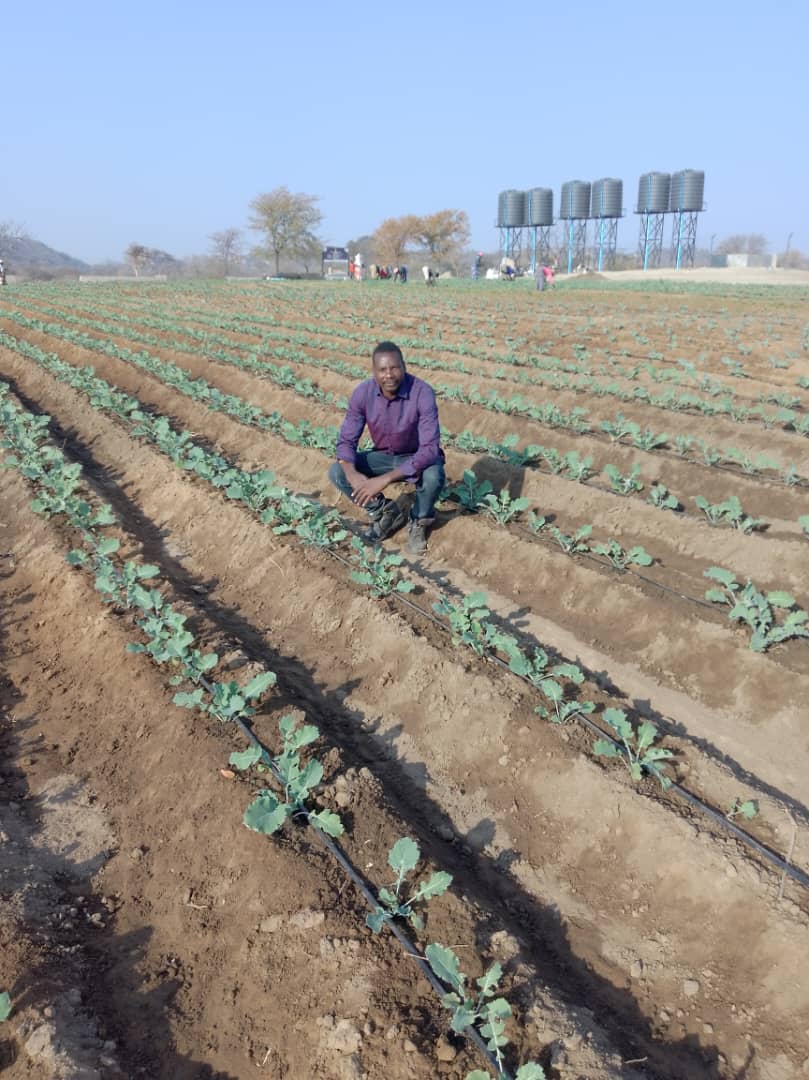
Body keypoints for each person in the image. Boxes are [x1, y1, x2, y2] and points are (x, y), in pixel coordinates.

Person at [329, 341, 445, 556]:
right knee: (338, 471)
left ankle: (419, 519)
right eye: (382, 370)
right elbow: (346, 443)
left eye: (394, 368)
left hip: (416, 457)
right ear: (374, 372)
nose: (389, 375)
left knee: (434, 475)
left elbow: (429, 449)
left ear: (404, 366)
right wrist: (353, 474)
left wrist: (384, 479)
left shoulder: (422, 392)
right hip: (384, 455)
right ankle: (386, 512)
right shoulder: (362, 394)